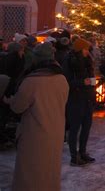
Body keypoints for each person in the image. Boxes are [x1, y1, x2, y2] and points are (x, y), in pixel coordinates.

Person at [3, 42, 69, 191]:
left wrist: (8, 100)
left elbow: (17, 107)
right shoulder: (62, 79)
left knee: (32, 174)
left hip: (35, 135)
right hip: (56, 132)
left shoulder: (32, 81)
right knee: (50, 172)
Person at [63, 37, 95, 166]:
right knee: (75, 128)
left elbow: (90, 75)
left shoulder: (87, 60)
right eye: (86, 49)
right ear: (80, 49)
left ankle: (83, 152)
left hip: (87, 97)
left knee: (86, 126)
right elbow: (65, 81)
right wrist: (82, 82)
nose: (88, 51)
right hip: (75, 98)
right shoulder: (70, 61)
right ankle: (74, 156)